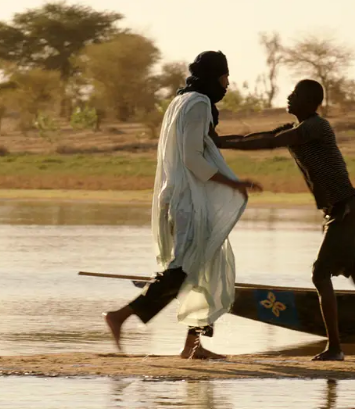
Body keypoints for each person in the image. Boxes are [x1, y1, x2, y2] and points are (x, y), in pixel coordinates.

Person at [213, 79, 355, 361]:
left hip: (345, 210)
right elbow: (259, 136)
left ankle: (335, 348)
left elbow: (270, 142)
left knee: (320, 274)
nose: (289, 98)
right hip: (339, 211)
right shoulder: (295, 129)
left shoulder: (316, 127)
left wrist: (217, 141)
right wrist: (218, 141)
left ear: (309, 102)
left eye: (294, 95)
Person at [103, 51, 262, 360]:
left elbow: (197, 146)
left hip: (182, 198)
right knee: (183, 269)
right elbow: (191, 158)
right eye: (224, 77)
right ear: (214, 76)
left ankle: (193, 346)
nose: (227, 84)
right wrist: (234, 183)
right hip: (190, 202)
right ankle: (120, 315)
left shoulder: (181, 100)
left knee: (206, 267)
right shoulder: (199, 102)